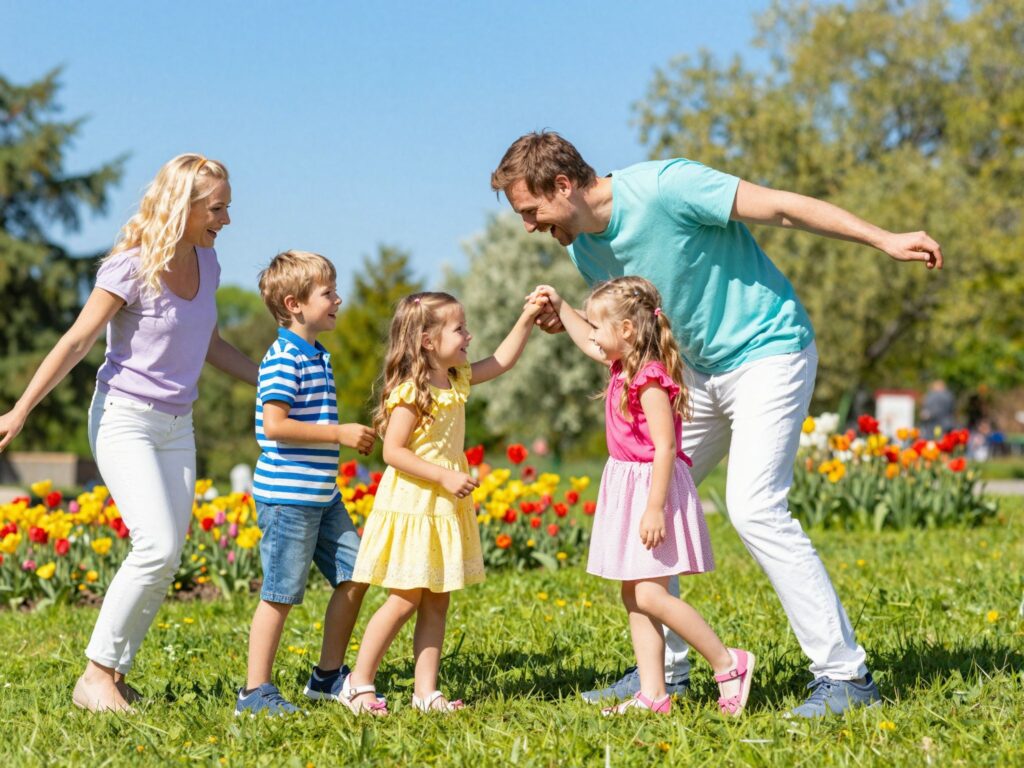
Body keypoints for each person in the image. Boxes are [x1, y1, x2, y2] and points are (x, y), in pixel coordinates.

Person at [491, 131, 943, 717]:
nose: (529, 225)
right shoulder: (583, 247)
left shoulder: (666, 187)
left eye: (531, 209)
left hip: (768, 351)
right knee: (639, 502)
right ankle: (663, 676)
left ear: (563, 185)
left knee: (755, 508)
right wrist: (571, 318)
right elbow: (625, 334)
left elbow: (782, 206)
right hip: (697, 377)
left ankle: (844, 676)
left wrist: (884, 238)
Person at [0, 154, 258, 712]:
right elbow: (76, 341)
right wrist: (19, 411)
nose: (227, 220)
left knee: (167, 555)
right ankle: (94, 677)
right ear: (184, 206)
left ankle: (112, 675)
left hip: (176, 425)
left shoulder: (208, 265)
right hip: (124, 418)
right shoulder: (130, 267)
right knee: (156, 544)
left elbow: (210, 345)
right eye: (217, 209)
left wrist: (273, 384)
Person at [532, 277, 755, 716]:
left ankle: (729, 662)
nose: (592, 335)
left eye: (599, 326)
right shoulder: (622, 364)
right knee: (633, 596)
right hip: (627, 485)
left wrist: (654, 508)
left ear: (628, 331)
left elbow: (666, 446)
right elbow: (586, 342)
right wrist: (560, 305)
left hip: (650, 489)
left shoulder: (650, 377)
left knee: (651, 595)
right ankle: (654, 695)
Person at [341, 292, 541, 715]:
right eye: (459, 328)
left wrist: (527, 316)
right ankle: (357, 684)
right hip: (415, 503)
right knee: (404, 599)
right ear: (428, 340)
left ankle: (425, 693)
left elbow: (503, 360)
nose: (469, 335)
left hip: (440, 506)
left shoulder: (455, 378)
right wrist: (445, 475)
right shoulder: (412, 392)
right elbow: (392, 451)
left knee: (437, 598)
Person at [235, 250, 377, 716]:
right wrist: (338, 433)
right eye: (328, 293)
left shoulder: (318, 354)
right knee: (280, 594)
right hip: (287, 500)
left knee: (356, 573)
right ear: (294, 304)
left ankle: (326, 676)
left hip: (322, 495)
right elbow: (272, 426)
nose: (339, 299)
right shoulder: (282, 358)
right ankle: (255, 692)